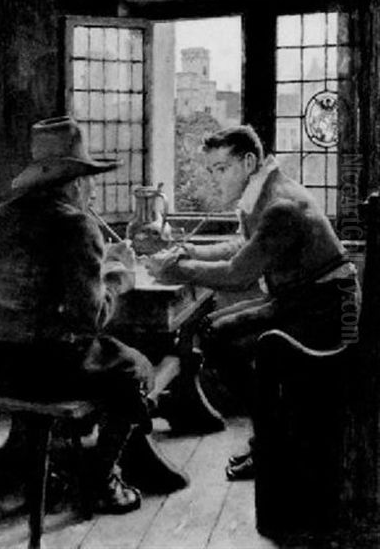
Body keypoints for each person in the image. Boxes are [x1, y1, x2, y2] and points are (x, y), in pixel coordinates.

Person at [0, 115, 171, 514]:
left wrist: (95, 264)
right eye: (89, 180)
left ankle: (35, 461)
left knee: (65, 352)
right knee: (134, 368)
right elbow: (90, 319)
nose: (93, 191)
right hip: (36, 369)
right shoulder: (77, 226)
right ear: (73, 183)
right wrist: (118, 276)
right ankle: (101, 478)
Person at [147, 124, 360, 481]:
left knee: (220, 337)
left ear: (248, 163)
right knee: (211, 329)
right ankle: (273, 438)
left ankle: (273, 442)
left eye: (221, 169)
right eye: (212, 170)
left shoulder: (279, 205)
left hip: (327, 309)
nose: (215, 179)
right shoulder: (265, 192)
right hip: (304, 300)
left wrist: (177, 269)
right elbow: (244, 247)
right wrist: (190, 251)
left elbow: (237, 274)